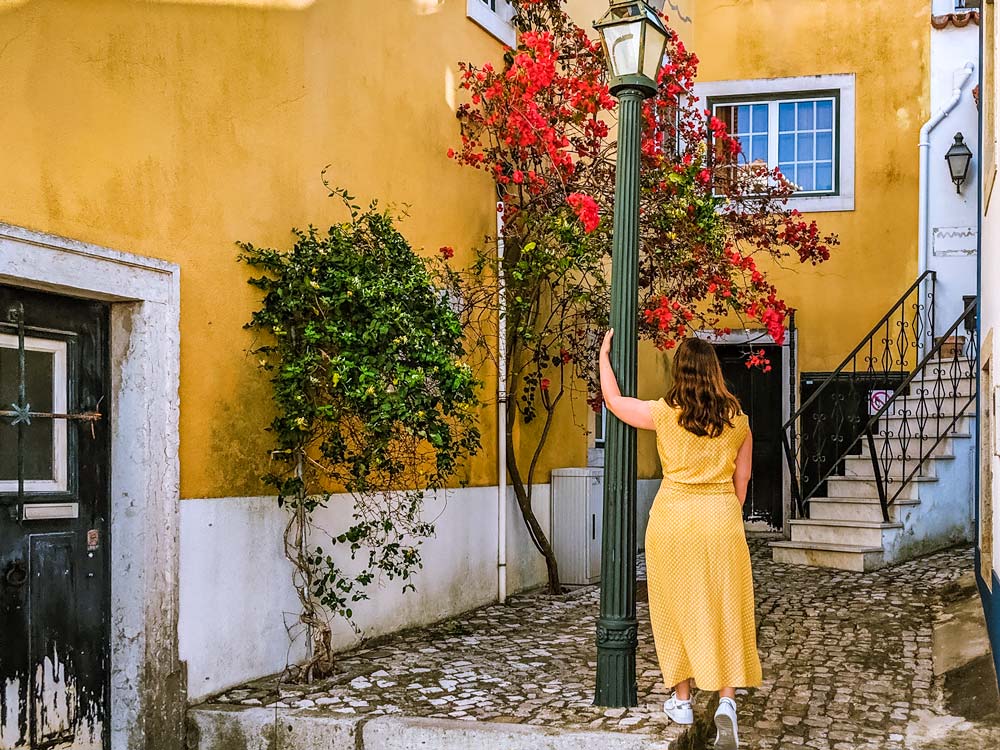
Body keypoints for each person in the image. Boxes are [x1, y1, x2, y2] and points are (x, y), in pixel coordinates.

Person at [599, 330, 762, 750]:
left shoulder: (664, 413)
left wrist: (602, 357)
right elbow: (742, 480)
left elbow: (616, 403)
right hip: (720, 517)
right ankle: (726, 701)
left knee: (675, 609)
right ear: (714, 371)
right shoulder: (738, 421)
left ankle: (683, 699)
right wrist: (726, 510)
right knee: (725, 607)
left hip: (672, 519)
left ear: (679, 371)